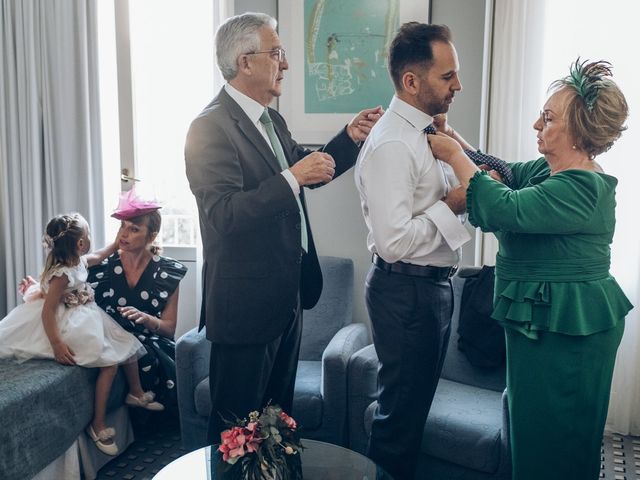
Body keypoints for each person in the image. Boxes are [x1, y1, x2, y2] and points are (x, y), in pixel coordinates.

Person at [428, 58, 633, 480]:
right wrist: (455, 139)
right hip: (543, 322)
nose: (536, 124)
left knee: (558, 440)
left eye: (549, 117)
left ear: (578, 132)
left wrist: (450, 153)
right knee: (533, 433)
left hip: (569, 332)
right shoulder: (547, 171)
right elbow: (498, 171)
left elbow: (503, 205)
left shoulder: (583, 188)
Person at [184, 12, 382, 443]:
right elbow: (225, 214)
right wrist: (292, 177)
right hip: (243, 307)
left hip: (286, 299)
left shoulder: (272, 122)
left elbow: (314, 170)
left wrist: (349, 137)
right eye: (277, 54)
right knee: (236, 437)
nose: (286, 64)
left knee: (276, 426)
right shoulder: (208, 128)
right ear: (245, 62)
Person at [354, 22, 471, 479]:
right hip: (405, 293)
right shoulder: (391, 145)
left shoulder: (428, 133)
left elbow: (480, 173)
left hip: (429, 290)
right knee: (398, 419)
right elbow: (394, 241)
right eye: (448, 76)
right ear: (411, 81)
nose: (457, 85)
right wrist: (454, 203)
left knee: (412, 412)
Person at [0, 212, 159, 456]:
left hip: (86, 315)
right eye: (88, 234)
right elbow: (47, 311)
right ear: (80, 244)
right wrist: (56, 344)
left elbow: (100, 255)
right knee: (109, 364)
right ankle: (97, 425)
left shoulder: (79, 261)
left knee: (128, 343)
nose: (90, 238)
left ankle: (135, 393)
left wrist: (117, 242)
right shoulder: (62, 275)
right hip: (67, 321)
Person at [87, 189, 188, 423]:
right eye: (122, 226)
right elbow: (69, 283)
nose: (124, 234)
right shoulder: (101, 267)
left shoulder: (167, 272)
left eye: (134, 229)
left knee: (151, 358)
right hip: (108, 336)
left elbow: (169, 329)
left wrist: (146, 318)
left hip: (149, 339)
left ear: (151, 236)